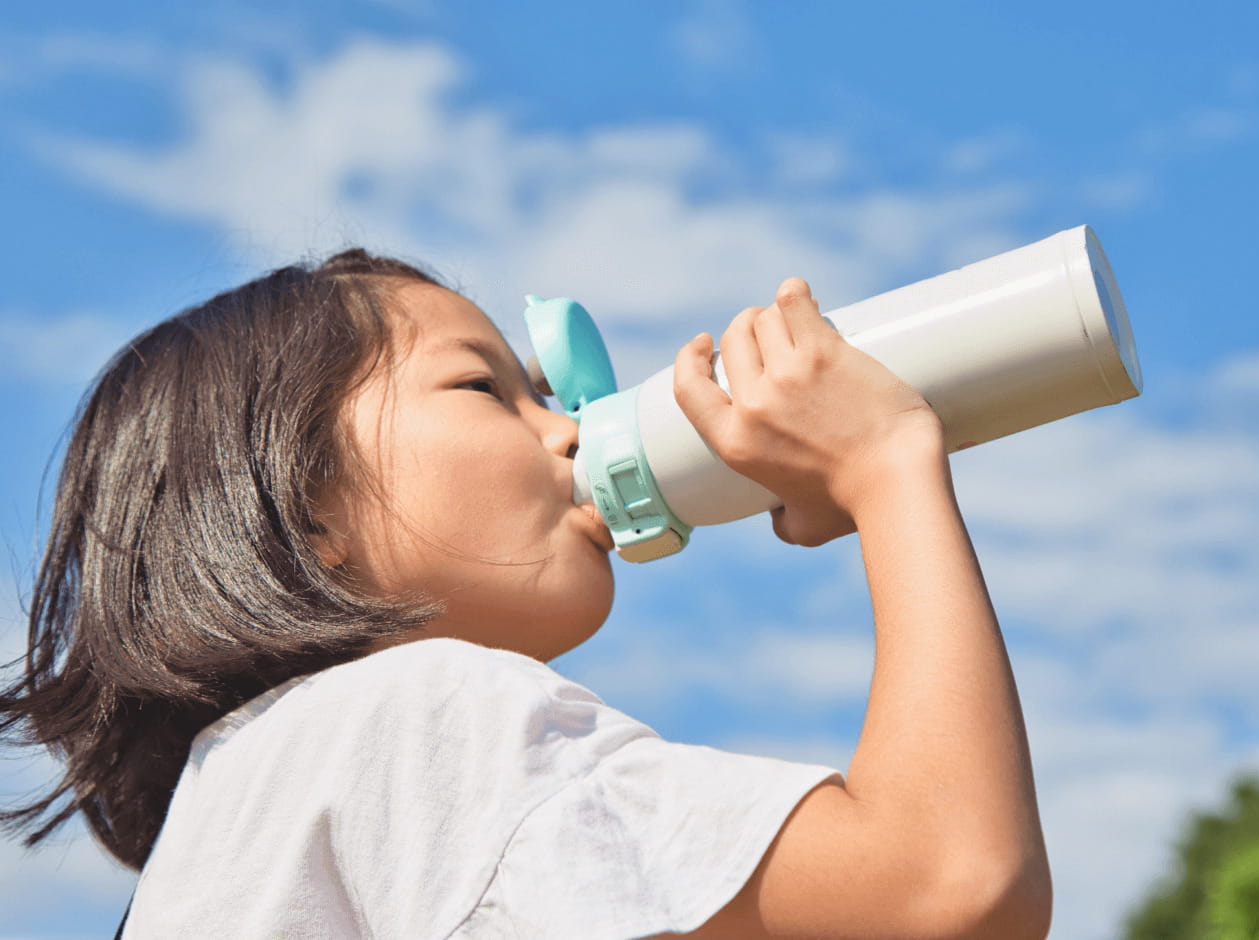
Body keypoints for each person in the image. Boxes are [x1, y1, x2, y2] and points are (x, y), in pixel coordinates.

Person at [0, 249, 1051, 939]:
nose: (568, 431)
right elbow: (948, 886)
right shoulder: (408, 713)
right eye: (483, 387)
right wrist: (887, 471)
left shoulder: (251, 797)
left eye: (548, 394)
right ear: (303, 504)